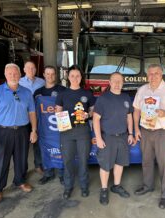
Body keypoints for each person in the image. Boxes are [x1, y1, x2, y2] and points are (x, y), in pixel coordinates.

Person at [0, 63, 37, 204]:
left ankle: (20, 181)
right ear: (5, 75)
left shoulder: (26, 93)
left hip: (22, 131)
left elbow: (32, 113)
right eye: (10, 74)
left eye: (15, 73)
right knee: (1, 162)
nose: (13, 76)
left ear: (20, 75)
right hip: (3, 132)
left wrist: (34, 130)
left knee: (21, 159)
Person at [133, 64, 165, 209]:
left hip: (163, 131)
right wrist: (136, 128)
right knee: (146, 161)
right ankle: (147, 186)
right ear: (147, 75)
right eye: (150, 73)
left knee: (164, 164)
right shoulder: (142, 90)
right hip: (145, 130)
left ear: (161, 74)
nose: (153, 76)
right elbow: (136, 110)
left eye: (156, 73)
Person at [93, 72, 135, 205]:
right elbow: (95, 119)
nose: (117, 84)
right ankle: (104, 189)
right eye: (115, 81)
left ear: (123, 83)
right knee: (105, 165)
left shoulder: (126, 97)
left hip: (122, 136)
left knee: (120, 163)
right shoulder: (103, 99)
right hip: (107, 137)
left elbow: (129, 117)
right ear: (110, 83)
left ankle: (116, 186)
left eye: (120, 81)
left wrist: (130, 133)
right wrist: (98, 138)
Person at [55, 65, 95, 199]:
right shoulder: (62, 94)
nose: (75, 78)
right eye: (72, 76)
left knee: (83, 160)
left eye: (77, 76)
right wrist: (60, 117)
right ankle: (68, 187)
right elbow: (57, 111)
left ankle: (84, 186)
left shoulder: (87, 93)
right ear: (68, 77)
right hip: (66, 131)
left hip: (83, 131)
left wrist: (88, 115)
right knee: (68, 161)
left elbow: (93, 110)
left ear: (81, 77)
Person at [34, 66, 66, 185]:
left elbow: (66, 109)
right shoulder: (38, 93)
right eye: (48, 74)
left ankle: (62, 174)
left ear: (56, 75)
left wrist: (65, 128)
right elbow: (34, 111)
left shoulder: (63, 90)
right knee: (46, 150)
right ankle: (48, 174)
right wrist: (34, 128)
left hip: (59, 128)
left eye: (52, 74)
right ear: (44, 75)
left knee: (61, 150)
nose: (50, 76)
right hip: (44, 128)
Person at [19, 61, 45, 174]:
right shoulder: (18, 82)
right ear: (24, 70)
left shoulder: (42, 82)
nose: (31, 70)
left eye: (33, 68)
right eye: (28, 68)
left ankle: (38, 164)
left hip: (38, 116)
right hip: (23, 117)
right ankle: (22, 170)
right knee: (23, 144)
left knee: (37, 141)